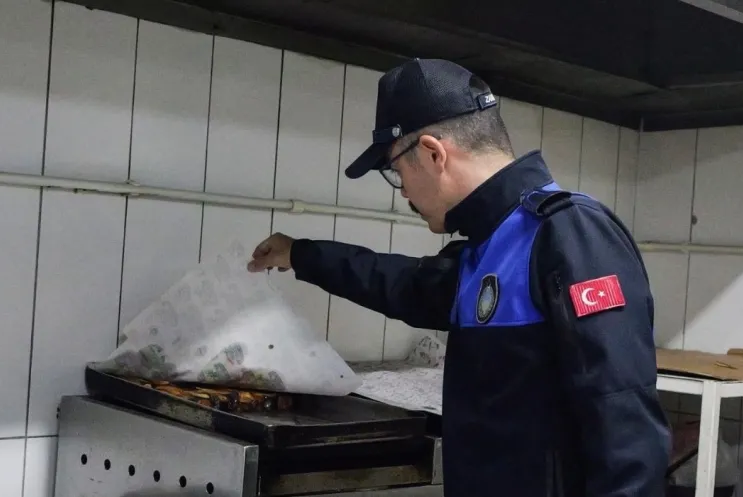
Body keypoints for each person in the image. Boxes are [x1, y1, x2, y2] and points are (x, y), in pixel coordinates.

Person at [247, 58, 671, 497]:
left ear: (433, 153)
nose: (404, 191)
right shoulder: (487, 247)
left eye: (396, 171)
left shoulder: (567, 233)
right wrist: (301, 254)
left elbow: (623, 423)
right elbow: (402, 284)